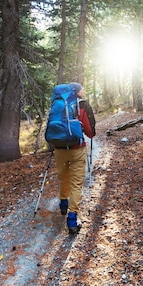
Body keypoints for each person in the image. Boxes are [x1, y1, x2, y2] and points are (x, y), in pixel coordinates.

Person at [54, 82, 96, 235]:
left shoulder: (57, 103)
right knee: (76, 183)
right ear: (78, 91)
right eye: (82, 89)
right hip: (77, 149)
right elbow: (91, 132)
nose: (83, 91)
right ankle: (72, 220)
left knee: (63, 177)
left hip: (59, 149)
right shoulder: (82, 105)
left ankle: (63, 205)